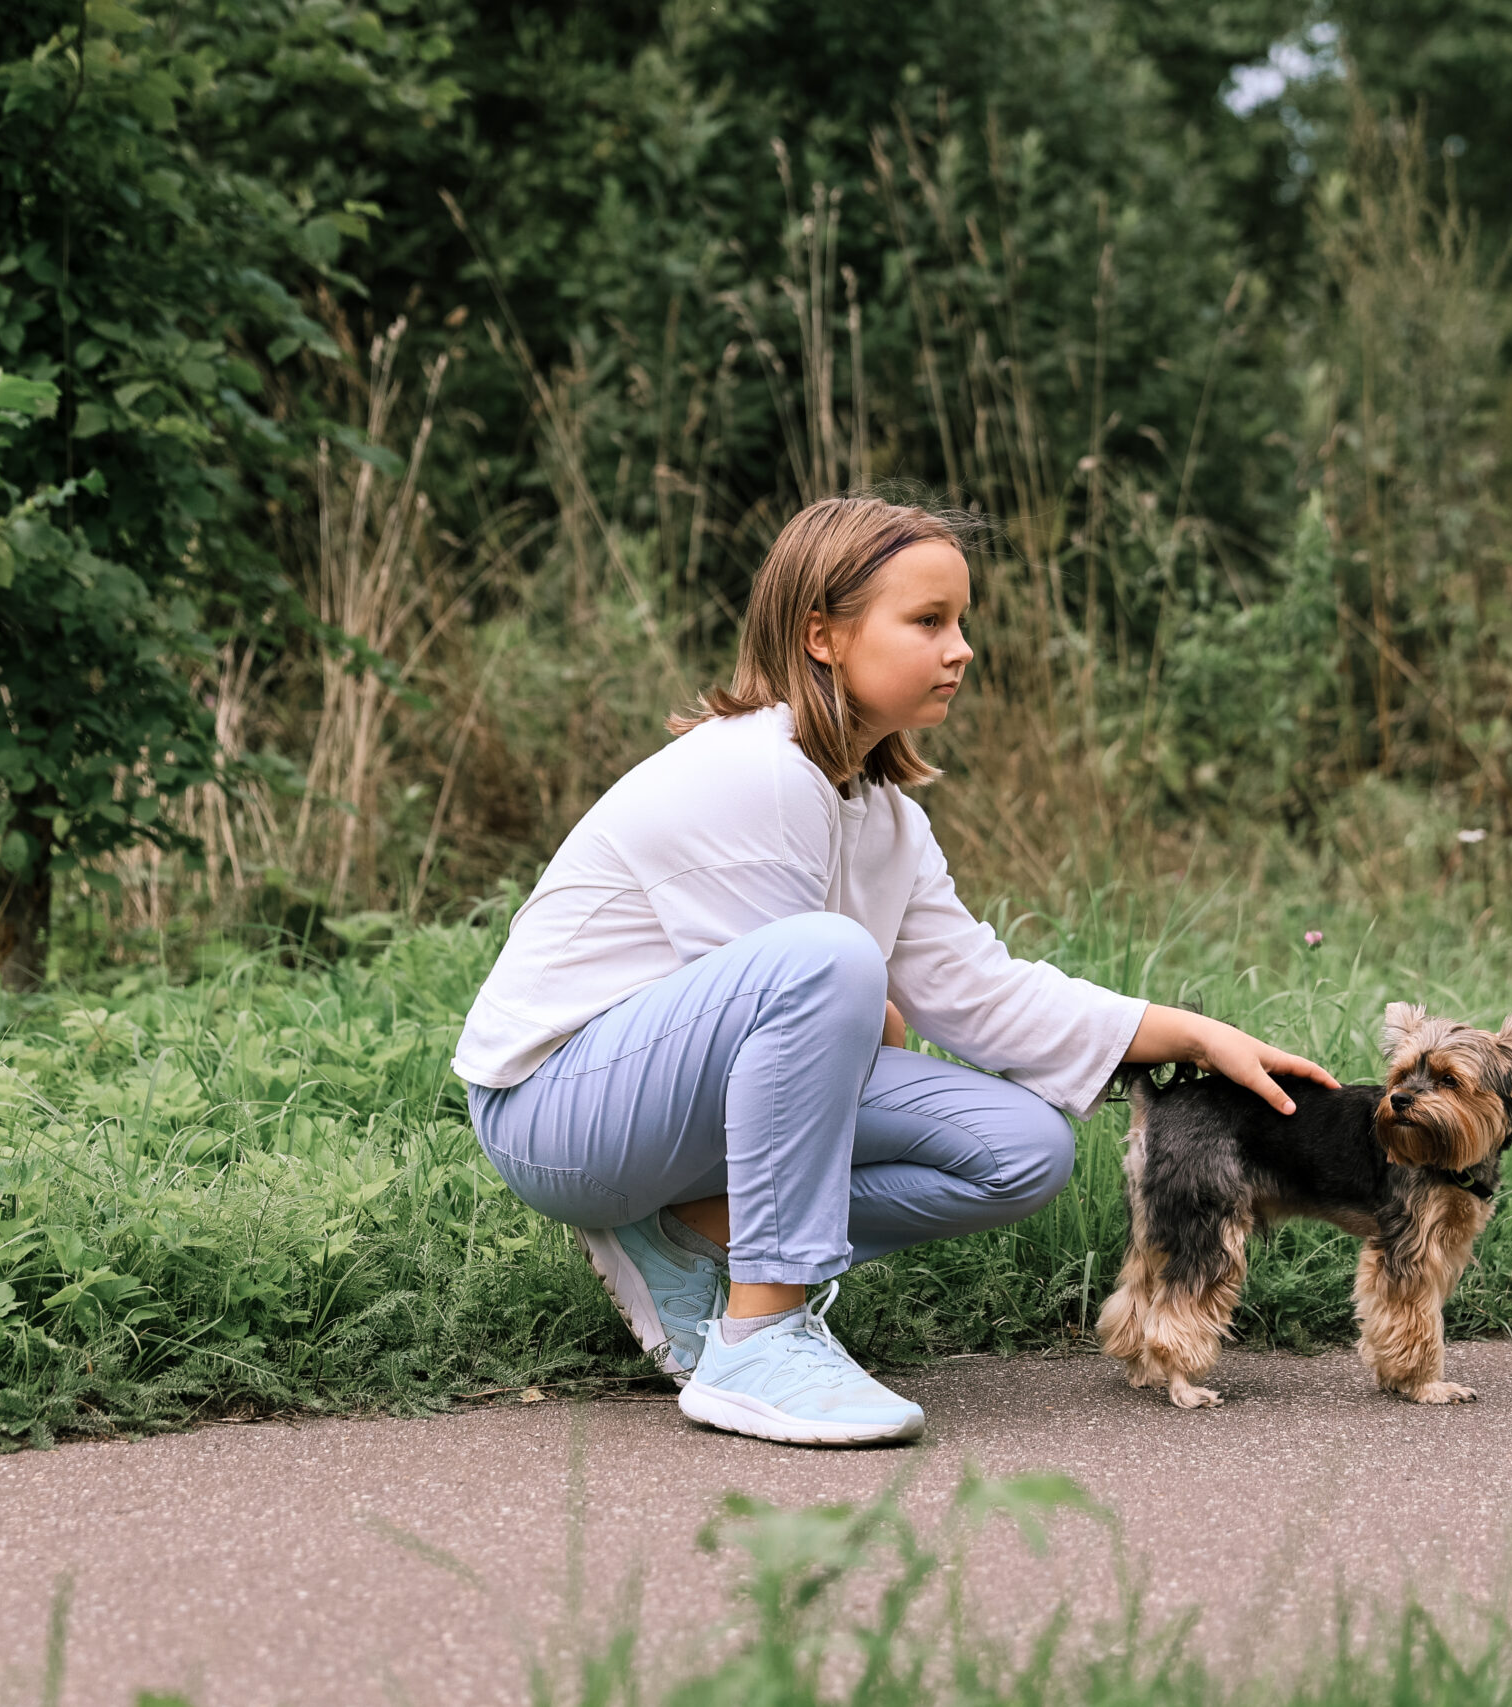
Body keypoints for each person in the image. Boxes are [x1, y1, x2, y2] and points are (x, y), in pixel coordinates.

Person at [453, 496, 1333, 1445]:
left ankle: (689, 1232)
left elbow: (984, 994)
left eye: (961, 622)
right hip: (559, 1112)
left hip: (680, 1115)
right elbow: (798, 995)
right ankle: (760, 1337)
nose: (961, 649)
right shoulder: (748, 769)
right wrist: (867, 1014)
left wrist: (1199, 1033)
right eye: (928, 622)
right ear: (821, 635)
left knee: (1025, 1148)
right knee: (832, 961)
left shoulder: (887, 819)